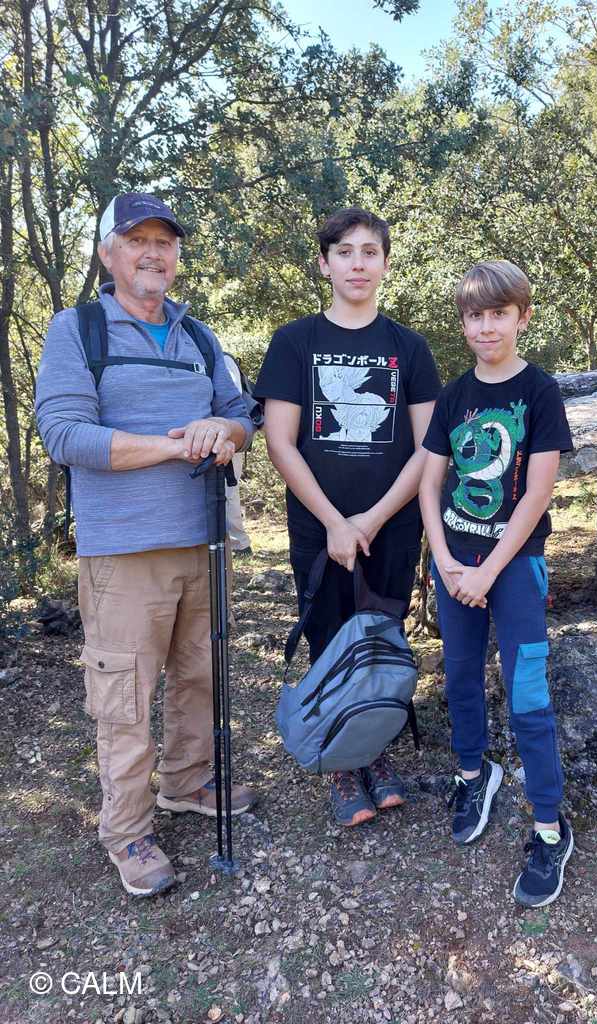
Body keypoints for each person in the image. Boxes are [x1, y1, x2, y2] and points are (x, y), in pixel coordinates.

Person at [35, 192, 260, 897]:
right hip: (123, 552)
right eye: (138, 241)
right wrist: (172, 446)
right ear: (109, 253)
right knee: (125, 696)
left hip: (203, 540)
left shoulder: (199, 337)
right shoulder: (78, 330)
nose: (154, 254)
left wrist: (225, 432)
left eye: (165, 242)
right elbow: (65, 434)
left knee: (199, 675)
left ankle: (188, 784)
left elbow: (240, 415)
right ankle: (128, 829)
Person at [254, 207, 441, 826]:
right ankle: (338, 758)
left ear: (384, 263)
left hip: (394, 523)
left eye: (369, 252)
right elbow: (281, 442)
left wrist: (373, 518)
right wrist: (336, 522)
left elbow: (429, 446)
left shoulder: (409, 348)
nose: (357, 264)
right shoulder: (295, 342)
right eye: (344, 252)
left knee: (383, 636)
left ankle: (375, 749)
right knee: (328, 634)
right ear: (325, 263)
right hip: (318, 525)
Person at [419, 260, 574, 907]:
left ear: (522, 317)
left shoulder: (539, 392)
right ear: (463, 322)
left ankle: (549, 826)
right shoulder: (454, 395)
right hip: (455, 566)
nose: (486, 327)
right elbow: (430, 483)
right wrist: (446, 561)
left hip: (514, 569)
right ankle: (472, 773)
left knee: (526, 692)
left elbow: (536, 495)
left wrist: (487, 570)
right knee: (459, 677)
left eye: (499, 314)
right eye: (475, 315)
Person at [223, 352, 254, 556]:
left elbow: (233, 400)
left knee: (229, 491)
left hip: (230, 438)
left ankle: (240, 544)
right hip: (216, 438)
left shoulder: (224, 360)